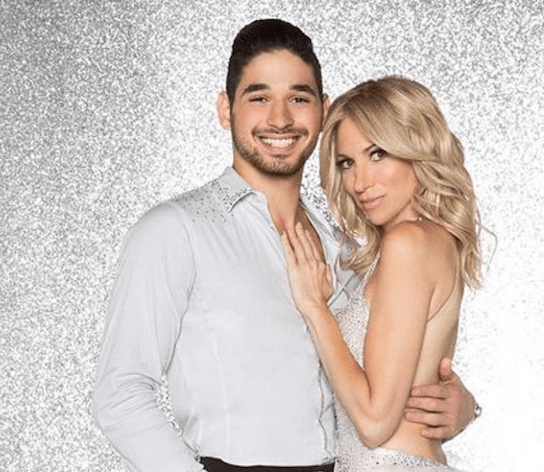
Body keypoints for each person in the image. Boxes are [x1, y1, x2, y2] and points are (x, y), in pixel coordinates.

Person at [91, 20, 478, 472]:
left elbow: (379, 375)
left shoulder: (346, 249)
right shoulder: (177, 231)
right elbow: (119, 392)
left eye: (298, 98)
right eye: (259, 98)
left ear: (322, 112)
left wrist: (463, 403)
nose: (280, 119)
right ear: (225, 110)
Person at [282, 76, 483, 472]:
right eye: (347, 163)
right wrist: (469, 407)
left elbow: (375, 423)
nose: (359, 183)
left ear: (415, 148)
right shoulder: (427, 242)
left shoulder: (408, 244)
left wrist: (315, 309)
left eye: (377, 154)